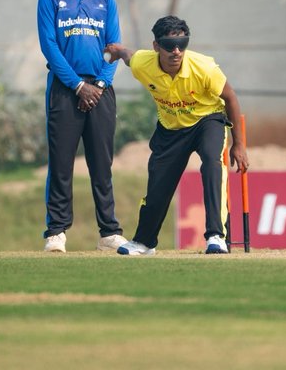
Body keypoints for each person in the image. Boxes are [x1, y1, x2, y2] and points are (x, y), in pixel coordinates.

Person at [104, 16, 249, 255]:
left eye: (182, 43)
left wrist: (239, 144)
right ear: (156, 46)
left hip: (207, 119)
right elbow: (130, 56)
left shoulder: (203, 68)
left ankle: (215, 236)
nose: (176, 51)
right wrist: (119, 51)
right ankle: (144, 242)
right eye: (169, 45)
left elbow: (230, 97)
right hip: (170, 128)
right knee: (158, 183)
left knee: (212, 164)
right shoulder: (143, 63)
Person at [36, 0, 128, 253]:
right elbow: (50, 47)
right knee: (61, 162)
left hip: (101, 90)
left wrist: (99, 84)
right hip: (65, 88)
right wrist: (78, 85)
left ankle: (109, 233)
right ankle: (56, 232)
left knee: (102, 164)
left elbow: (114, 48)